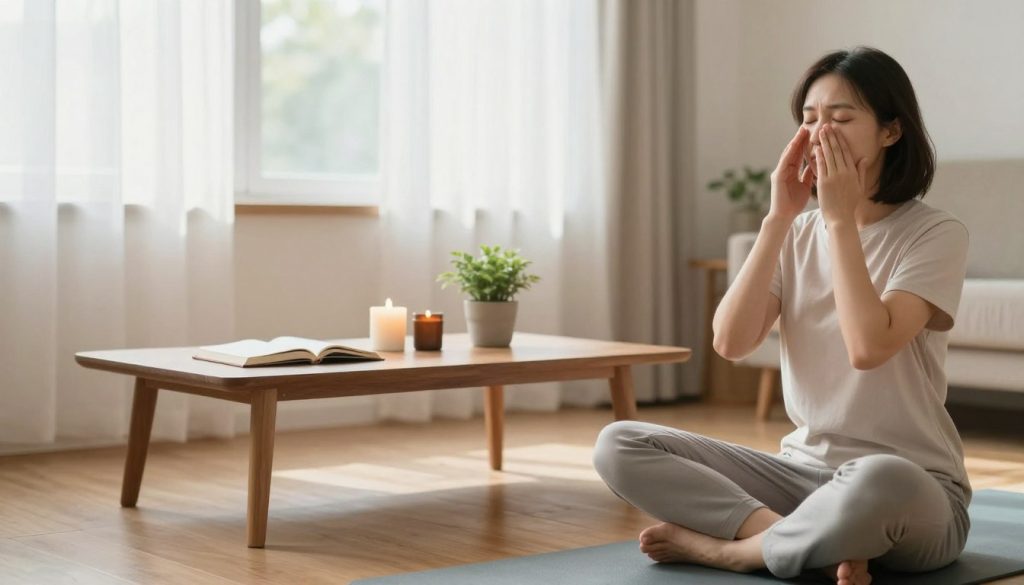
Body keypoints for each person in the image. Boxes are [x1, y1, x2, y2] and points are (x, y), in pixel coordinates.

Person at [593, 46, 971, 585]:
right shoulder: (796, 233)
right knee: (620, 443)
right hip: (800, 475)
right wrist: (779, 218)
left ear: (891, 131)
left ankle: (735, 552)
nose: (821, 133)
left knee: (878, 477)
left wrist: (839, 222)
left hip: (913, 490)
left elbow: (868, 347)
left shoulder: (935, 234)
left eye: (841, 119)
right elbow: (731, 341)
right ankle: (794, 536)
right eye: (810, 120)